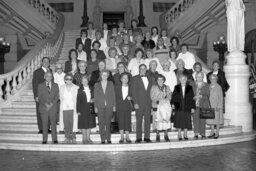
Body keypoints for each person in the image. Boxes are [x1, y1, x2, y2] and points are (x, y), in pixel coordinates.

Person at [131, 64, 153, 143]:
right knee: (139, 120)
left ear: (146, 69)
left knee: (147, 121)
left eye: (144, 68)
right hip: (139, 103)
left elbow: (152, 91)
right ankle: (138, 137)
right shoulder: (134, 78)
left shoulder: (150, 78)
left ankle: (147, 137)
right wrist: (135, 103)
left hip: (148, 103)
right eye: (141, 68)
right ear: (139, 69)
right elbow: (133, 92)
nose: (143, 70)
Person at [94, 70, 116, 144]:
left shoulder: (111, 83)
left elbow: (113, 95)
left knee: (108, 123)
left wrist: (114, 105)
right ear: (100, 75)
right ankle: (103, 138)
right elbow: (95, 96)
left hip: (109, 105)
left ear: (108, 75)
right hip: (100, 106)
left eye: (106, 75)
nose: (104, 76)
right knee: (101, 123)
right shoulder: (97, 84)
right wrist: (95, 106)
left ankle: (108, 138)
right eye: (103, 74)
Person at [171, 74, 195, 141]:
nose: (183, 80)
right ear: (179, 80)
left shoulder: (190, 87)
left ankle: (185, 134)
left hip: (187, 107)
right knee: (179, 120)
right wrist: (173, 103)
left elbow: (192, 98)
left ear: (186, 80)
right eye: (181, 79)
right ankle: (179, 134)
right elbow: (174, 96)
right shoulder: (177, 87)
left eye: (184, 79)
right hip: (179, 107)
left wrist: (193, 107)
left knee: (186, 121)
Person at [38, 71, 59, 144]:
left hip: (53, 108)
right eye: (47, 76)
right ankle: (44, 139)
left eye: (50, 76)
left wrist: (51, 104)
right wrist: (45, 104)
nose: (49, 77)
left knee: (53, 124)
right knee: (44, 124)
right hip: (44, 108)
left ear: (52, 77)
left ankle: (55, 139)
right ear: (44, 77)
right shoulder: (40, 85)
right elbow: (39, 98)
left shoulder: (56, 85)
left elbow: (57, 96)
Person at [150, 74, 172, 142]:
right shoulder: (153, 87)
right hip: (156, 105)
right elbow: (151, 96)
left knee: (165, 120)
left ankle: (166, 134)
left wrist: (165, 100)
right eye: (159, 79)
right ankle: (157, 134)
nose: (160, 81)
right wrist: (158, 100)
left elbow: (169, 96)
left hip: (165, 106)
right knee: (157, 120)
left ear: (164, 80)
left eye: (162, 79)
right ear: (156, 80)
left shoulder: (167, 87)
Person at [32, 57, 51, 134]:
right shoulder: (37, 72)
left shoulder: (50, 71)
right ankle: (41, 128)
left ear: (49, 63)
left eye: (47, 61)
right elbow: (35, 85)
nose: (46, 63)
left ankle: (47, 128)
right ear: (42, 62)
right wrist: (36, 96)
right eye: (44, 61)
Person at [59, 73, 79, 144]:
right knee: (66, 123)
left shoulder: (76, 88)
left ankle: (73, 138)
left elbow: (78, 99)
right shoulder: (61, 87)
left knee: (73, 123)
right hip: (64, 108)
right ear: (65, 80)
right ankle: (67, 138)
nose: (69, 80)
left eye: (70, 79)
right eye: (67, 79)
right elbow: (60, 98)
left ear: (72, 80)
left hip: (73, 108)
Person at [77, 75, 96, 144]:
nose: (85, 82)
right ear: (81, 82)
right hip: (82, 108)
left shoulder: (92, 88)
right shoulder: (79, 90)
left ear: (88, 81)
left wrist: (93, 99)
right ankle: (84, 138)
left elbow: (94, 97)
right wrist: (78, 110)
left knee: (89, 123)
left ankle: (88, 138)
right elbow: (78, 101)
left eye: (86, 80)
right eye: (83, 80)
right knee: (83, 123)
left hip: (90, 107)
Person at [191, 72, 210, 139]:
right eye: (198, 76)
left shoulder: (207, 85)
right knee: (195, 119)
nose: (199, 77)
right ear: (195, 77)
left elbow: (208, 95)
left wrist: (202, 96)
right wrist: (193, 97)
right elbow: (189, 94)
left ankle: (203, 133)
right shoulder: (191, 84)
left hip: (204, 104)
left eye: (201, 76)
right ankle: (196, 133)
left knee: (203, 120)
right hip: (194, 104)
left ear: (203, 77)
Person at [115, 72, 133, 143]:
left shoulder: (131, 87)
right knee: (121, 121)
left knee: (128, 121)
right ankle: (122, 137)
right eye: (124, 78)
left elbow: (134, 97)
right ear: (121, 79)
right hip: (119, 106)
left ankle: (127, 136)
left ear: (128, 79)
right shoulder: (116, 87)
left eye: (127, 78)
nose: (125, 79)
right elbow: (114, 97)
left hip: (127, 107)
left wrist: (131, 98)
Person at [206, 74, 224, 139]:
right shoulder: (208, 86)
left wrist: (219, 106)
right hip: (209, 105)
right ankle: (212, 131)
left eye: (214, 79)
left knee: (217, 120)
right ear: (209, 79)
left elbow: (221, 97)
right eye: (211, 79)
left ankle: (217, 132)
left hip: (216, 106)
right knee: (211, 120)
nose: (212, 80)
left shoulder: (219, 87)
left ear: (216, 79)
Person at [53, 63, 65, 133]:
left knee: (63, 110)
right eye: (57, 68)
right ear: (55, 69)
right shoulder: (53, 76)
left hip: (64, 95)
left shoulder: (65, 75)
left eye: (60, 68)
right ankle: (57, 121)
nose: (59, 70)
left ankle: (62, 122)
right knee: (56, 109)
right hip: (55, 95)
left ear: (62, 69)